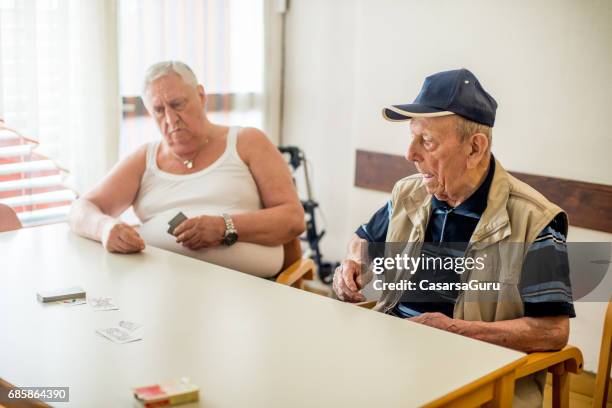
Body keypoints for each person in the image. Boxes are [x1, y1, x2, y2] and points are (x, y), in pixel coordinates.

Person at [332, 68, 574, 406]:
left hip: (479, 376)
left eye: (426, 140)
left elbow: (552, 331)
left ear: (475, 148)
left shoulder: (535, 220)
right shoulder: (409, 193)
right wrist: (353, 261)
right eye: (412, 138)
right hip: (394, 355)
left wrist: (459, 332)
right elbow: (362, 240)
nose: (410, 154)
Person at [69, 61, 304, 277]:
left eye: (177, 104)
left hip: (247, 293)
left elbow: (293, 219)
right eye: (159, 110)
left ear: (201, 96)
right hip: (158, 286)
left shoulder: (247, 141)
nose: (170, 119)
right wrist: (105, 227)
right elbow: (81, 209)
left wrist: (224, 227)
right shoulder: (145, 158)